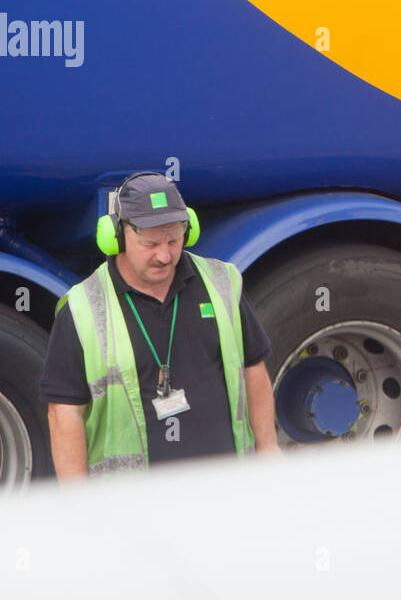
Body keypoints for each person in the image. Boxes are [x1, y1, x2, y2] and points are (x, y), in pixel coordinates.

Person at [42, 172, 280, 478]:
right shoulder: (83, 308)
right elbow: (64, 413)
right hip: (135, 507)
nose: (164, 255)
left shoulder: (222, 282)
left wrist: (269, 449)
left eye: (173, 240)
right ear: (118, 236)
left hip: (225, 491)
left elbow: (252, 369)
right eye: (151, 243)